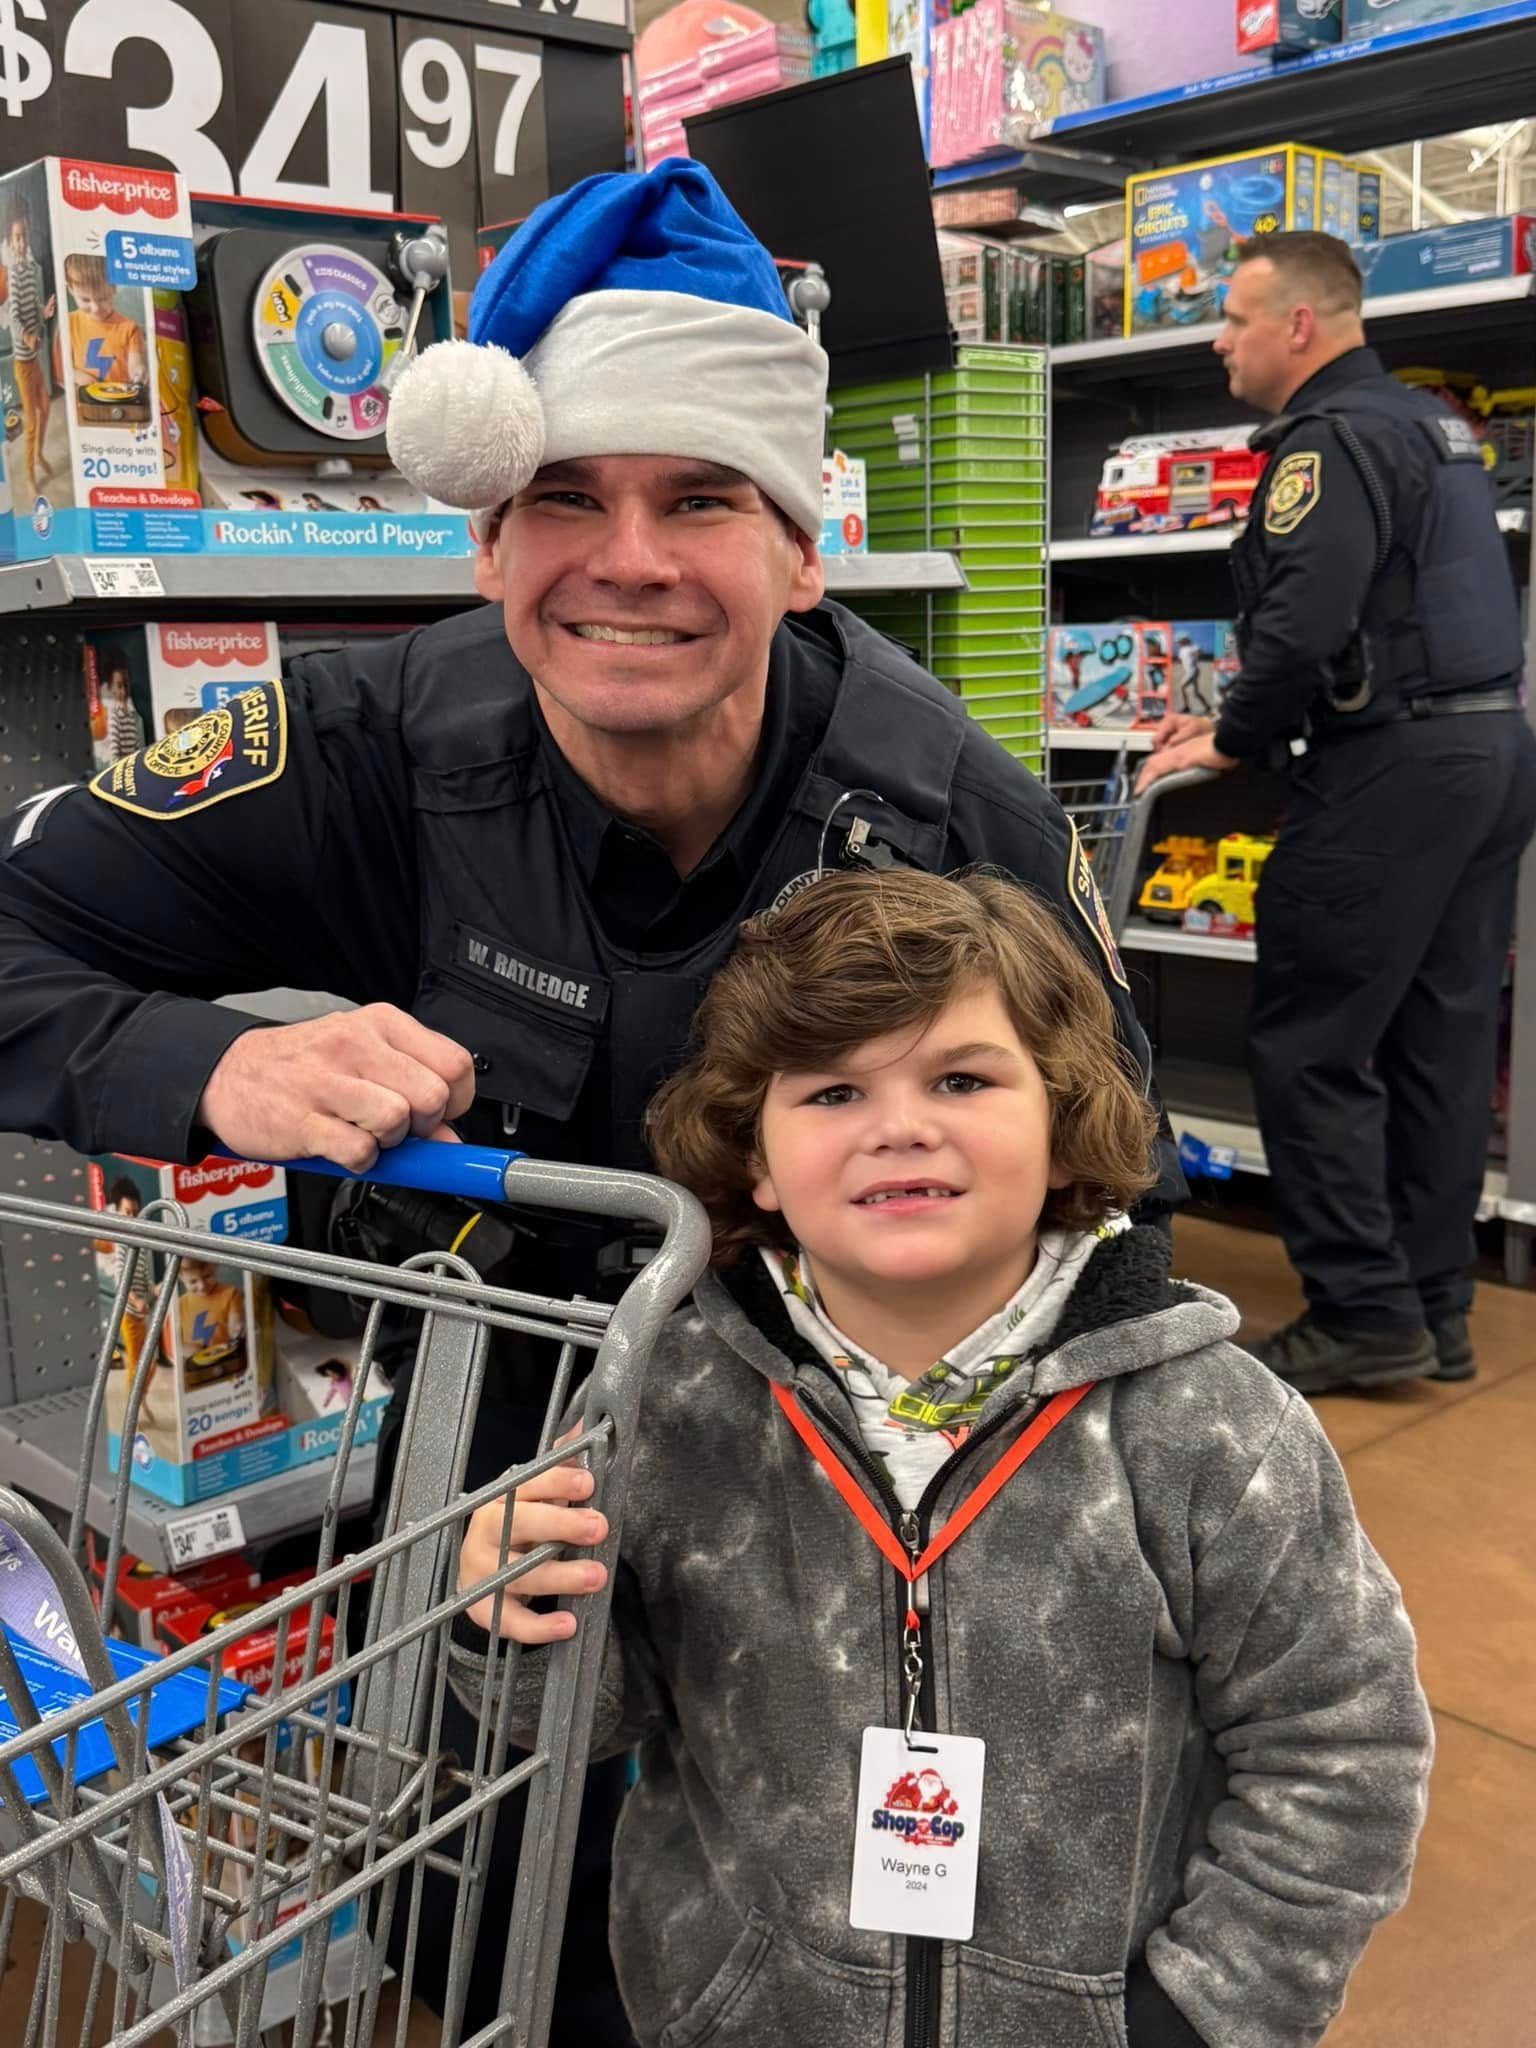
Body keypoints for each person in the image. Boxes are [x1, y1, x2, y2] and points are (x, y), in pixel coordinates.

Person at [0, 161, 1177, 2042]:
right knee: (495, 1934)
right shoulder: (374, 741)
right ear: (485, 543)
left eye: (699, 497)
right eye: (565, 497)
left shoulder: (960, 819)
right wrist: (210, 1061)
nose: (626, 558)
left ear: (803, 546)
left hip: (858, 1499)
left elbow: (1122, 1225)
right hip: (504, 1489)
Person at [455, 867, 1433, 2048]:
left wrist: (1201, 2010)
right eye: (831, 1090)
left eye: (962, 1077)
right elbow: (587, 1719)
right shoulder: (667, 1403)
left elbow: (1342, 1741)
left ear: (1066, 1121)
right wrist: (505, 1619)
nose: (900, 1123)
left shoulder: (1213, 1428)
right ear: (753, 1160)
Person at [1138, 231, 1536, 1396]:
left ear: (1299, 326)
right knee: (1439, 1036)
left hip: (1390, 767)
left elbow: (1306, 616)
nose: (1220, 338)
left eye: (1235, 317)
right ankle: (1431, 1304)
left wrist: (1232, 733)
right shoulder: (1429, 425)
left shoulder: (1329, 440)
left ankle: (1361, 1309)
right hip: (1488, 747)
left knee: (1312, 1040)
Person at [5, 206, 56, 495]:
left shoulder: (29, 270)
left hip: (34, 359)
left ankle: (39, 455)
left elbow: (31, 305)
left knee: (46, 407)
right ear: (11, 243)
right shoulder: (13, 273)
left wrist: (44, 312)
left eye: (24, 236)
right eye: (17, 238)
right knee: (32, 420)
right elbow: (14, 314)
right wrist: (25, 336)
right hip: (23, 364)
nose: (22, 242)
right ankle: (28, 474)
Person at [62, 254, 147, 395]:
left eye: (102, 299)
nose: (95, 308)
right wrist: (76, 375)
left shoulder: (130, 328)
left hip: (120, 399)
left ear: (114, 288)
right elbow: (63, 368)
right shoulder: (69, 323)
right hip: (86, 400)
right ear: (70, 289)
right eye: (85, 299)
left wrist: (138, 371)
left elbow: (135, 364)